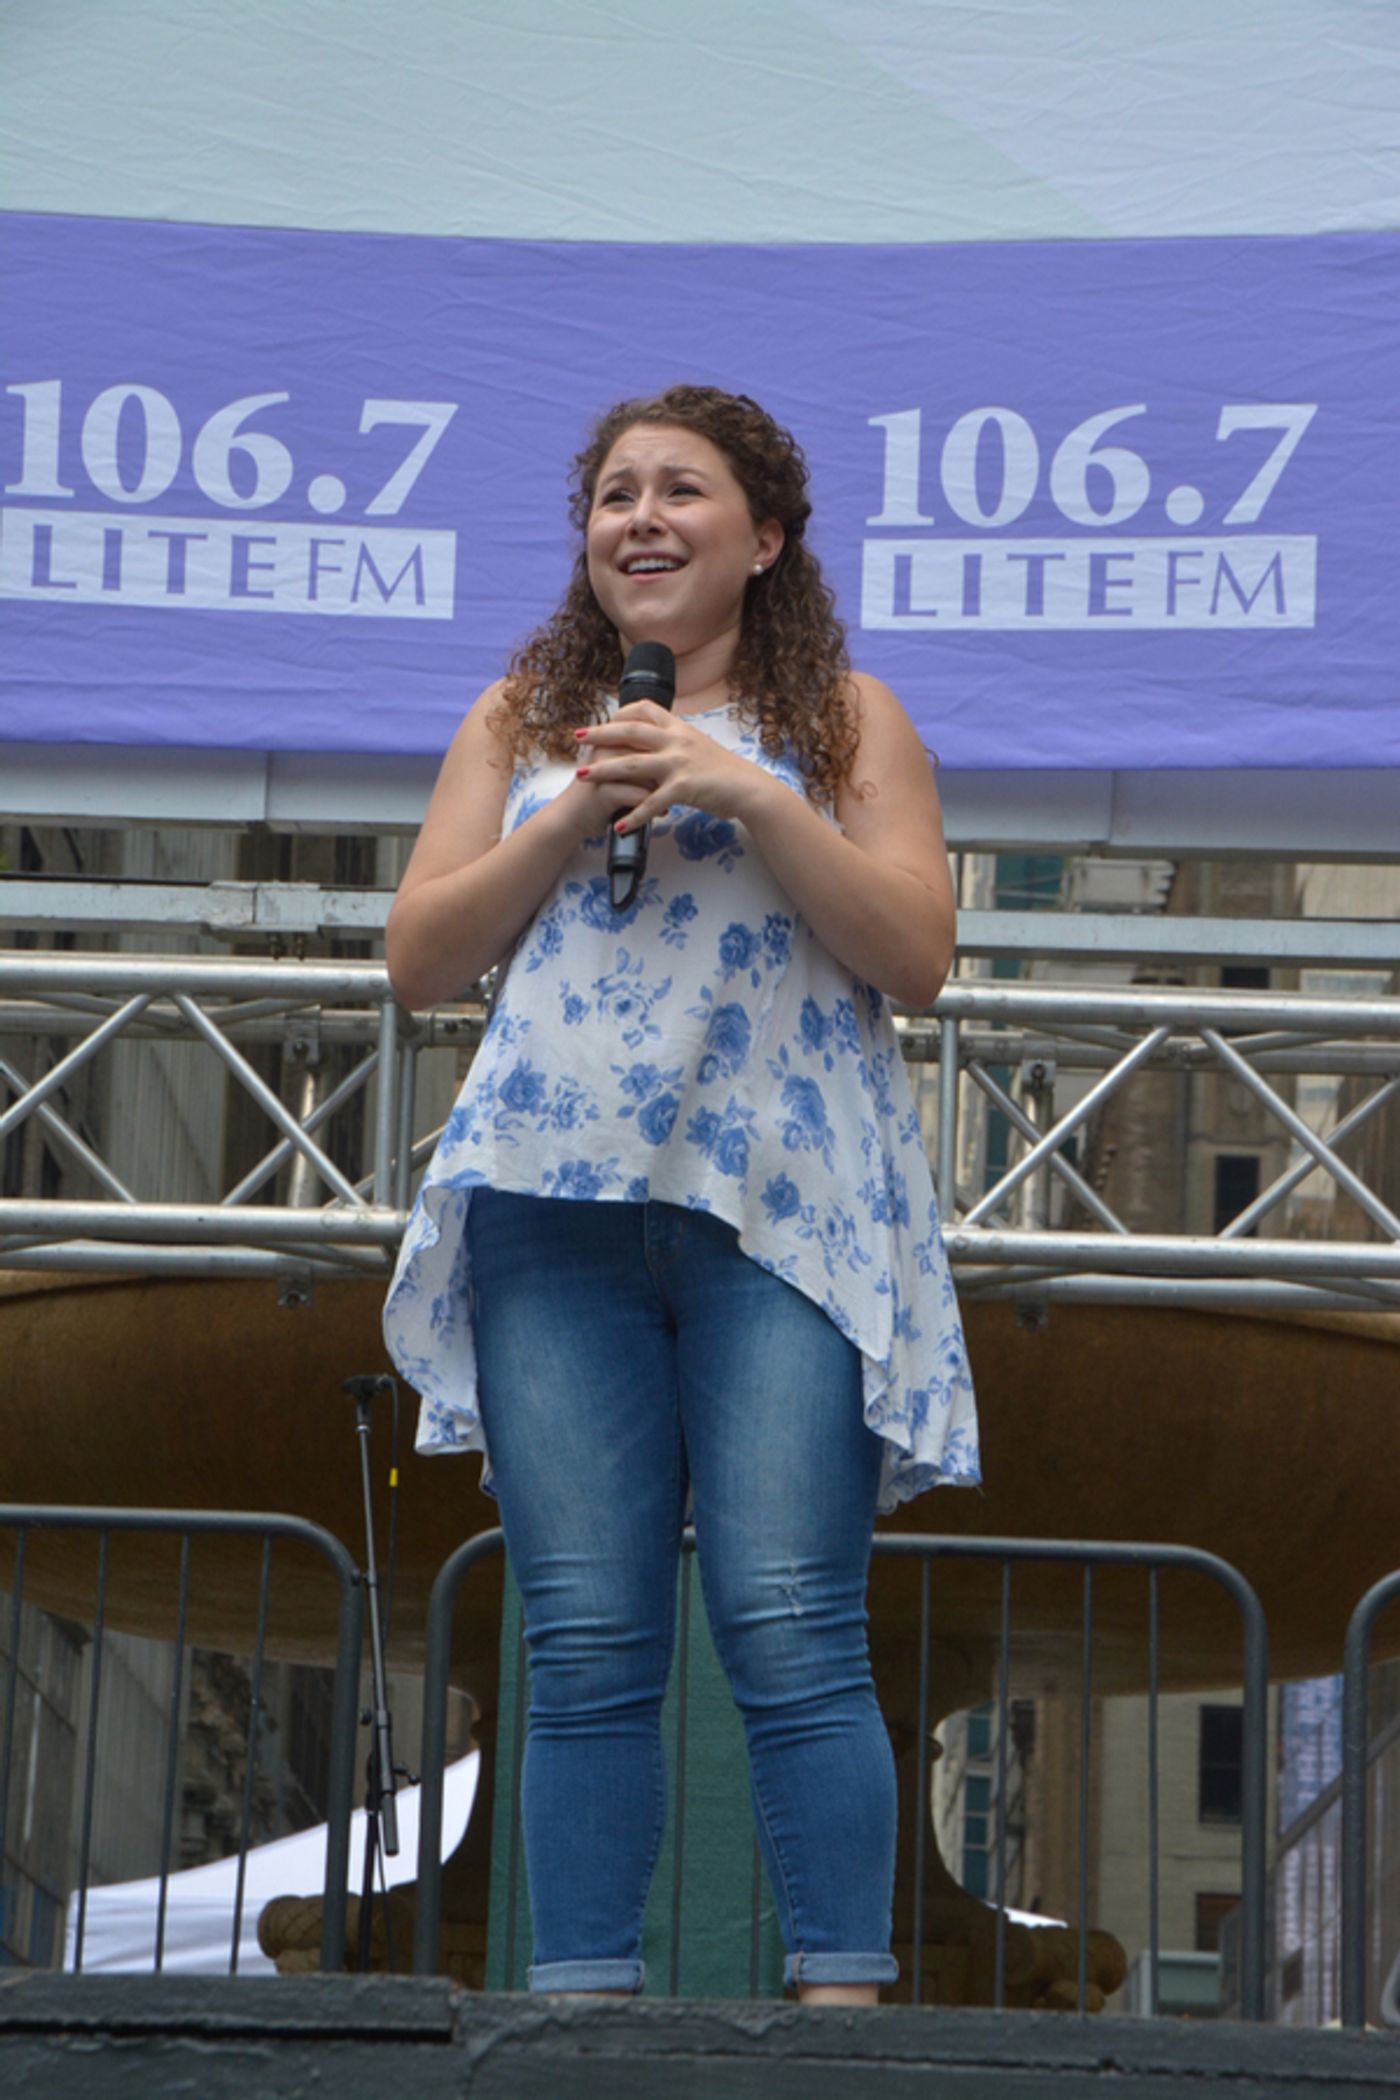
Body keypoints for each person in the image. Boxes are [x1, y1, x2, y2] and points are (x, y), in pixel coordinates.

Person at [383, 384, 978, 2004]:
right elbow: (423, 961)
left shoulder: (852, 721)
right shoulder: (520, 720)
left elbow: (916, 958)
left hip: (775, 1213)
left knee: (789, 1619)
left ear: (766, 536)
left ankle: (841, 2007)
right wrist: (575, 806)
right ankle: (580, 2011)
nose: (639, 518)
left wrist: (754, 790)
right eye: (614, 495)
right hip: (549, 1210)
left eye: (682, 492)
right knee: (579, 1639)